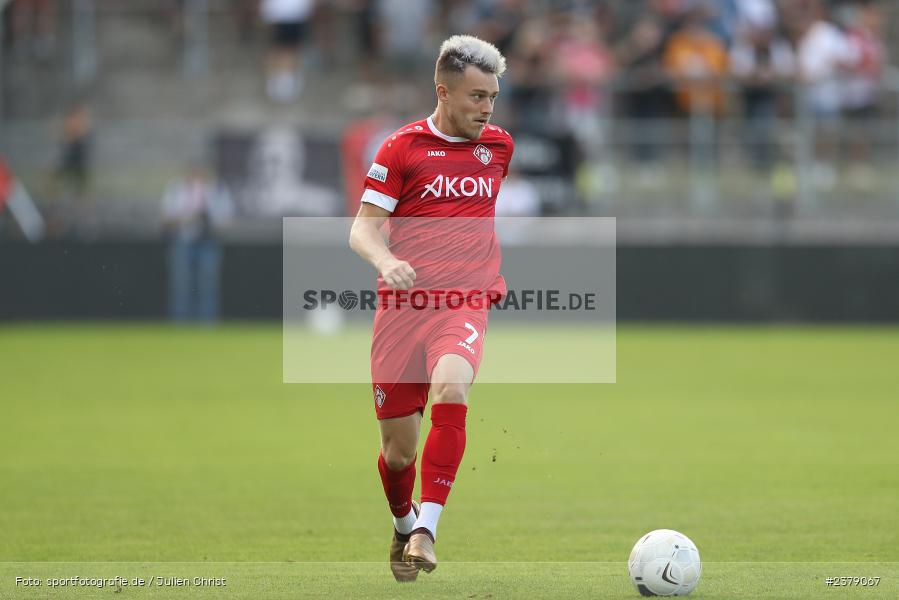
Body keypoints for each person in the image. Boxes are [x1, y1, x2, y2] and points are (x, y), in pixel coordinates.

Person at [348, 34, 514, 582]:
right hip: (402, 308)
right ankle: (402, 524)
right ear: (443, 91)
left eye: (492, 96)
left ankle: (427, 530)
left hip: (462, 304)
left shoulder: (500, 148)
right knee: (398, 454)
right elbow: (362, 231)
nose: (486, 109)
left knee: (452, 387)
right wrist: (385, 260)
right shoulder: (401, 149)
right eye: (476, 97)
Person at [161, 162, 234, 322]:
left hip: (208, 242)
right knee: (181, 285)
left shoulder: (217, 190)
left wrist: (208, 220)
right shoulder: (176, 190)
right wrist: (188, 217)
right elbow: (166, 219)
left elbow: (226, 220)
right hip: (183, 241)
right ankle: (180, 323)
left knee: (207, 285)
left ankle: (206, 323)